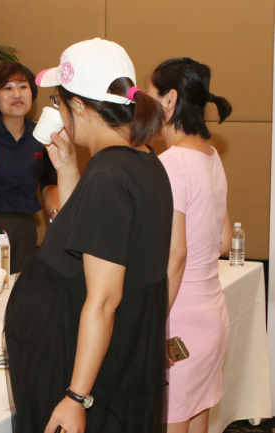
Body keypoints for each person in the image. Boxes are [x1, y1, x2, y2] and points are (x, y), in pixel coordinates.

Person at [4, 38, 173, 433]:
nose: (55, 111)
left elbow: (103, 299)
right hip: (116, 363)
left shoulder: (109, 177)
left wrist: (76, 397)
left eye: (57, 102)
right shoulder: (142, 161)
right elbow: (84, 238)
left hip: (90, 379)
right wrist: (65, 168)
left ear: (77, 106)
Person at [148, 57, 232, 433]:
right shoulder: (212, 157)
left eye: (149, 96)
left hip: (177, 319)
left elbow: (176, 254)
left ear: (169, 100)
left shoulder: (171, 163)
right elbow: (225, 242)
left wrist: (152, 322)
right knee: (197, 418)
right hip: (211, 313)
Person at [0, 62, 58, 274]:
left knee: (20, 295)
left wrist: (57, 216)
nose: (17, 94)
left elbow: (50, 183)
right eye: (7, 88)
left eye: (23, 87)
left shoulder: (44, 135)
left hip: (26, 228)